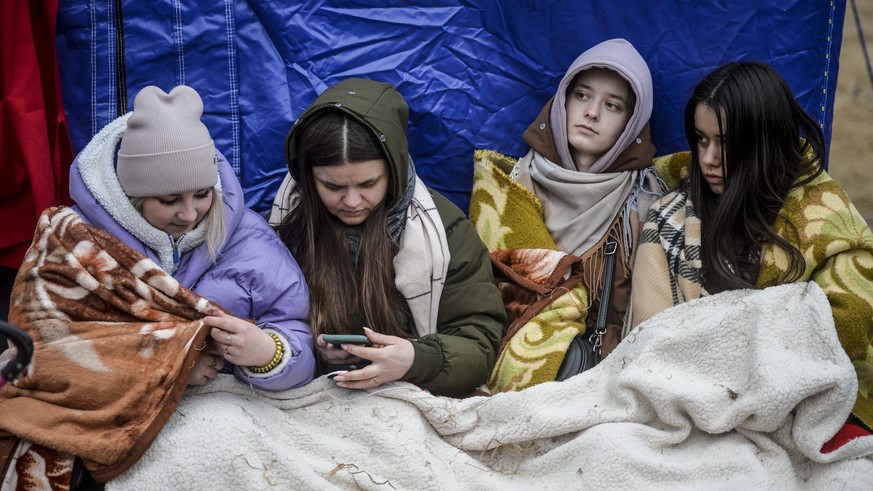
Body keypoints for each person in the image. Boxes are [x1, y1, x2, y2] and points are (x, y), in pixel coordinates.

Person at [631, 61, 873, 431]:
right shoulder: (670, 218)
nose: (708, 159)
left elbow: (851, 329)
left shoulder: (824, 218)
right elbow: (649, 344)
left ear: (765, 141)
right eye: (701, 139)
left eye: (726, 144)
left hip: (799, 415)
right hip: (683, 407)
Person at [269, 77, 507, 398]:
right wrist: (316, 352)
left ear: (393, 170)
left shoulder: (443, 229)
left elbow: (479, 343)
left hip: (412, 395)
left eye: (368, 184)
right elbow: (266, 327)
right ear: (308, 178)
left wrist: (416, 359)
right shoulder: (288, 228)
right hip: (317, 395)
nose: (352, 202)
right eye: (333, 186)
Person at [69, 85, 315, 391]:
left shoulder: (249, 239)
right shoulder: (77, 240)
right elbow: (48, 343)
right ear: (130, 199)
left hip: (226, 410)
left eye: (201, 194)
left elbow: (296, 328)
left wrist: (269, 353)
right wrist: (172, 363)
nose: (188, 214)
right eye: (169, 200)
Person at [468, 38, 664, 391]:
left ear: (632, 124)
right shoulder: (509, 188)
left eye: (613, 105)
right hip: (507, 368)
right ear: (562, 101)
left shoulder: (645, 202)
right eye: (582, 96)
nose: (592, 113)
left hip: (603, 377)